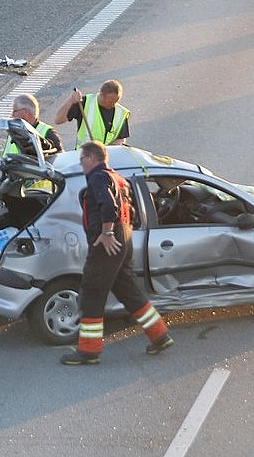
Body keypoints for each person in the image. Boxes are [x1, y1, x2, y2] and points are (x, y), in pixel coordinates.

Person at [62, 141, 173, 366]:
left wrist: (106, 233)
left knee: (92, 291)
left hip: (108, 244)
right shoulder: (119, 179)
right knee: (127, 289)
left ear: (92, 158)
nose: (81, 163)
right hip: (125, 238)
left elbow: (109, 206)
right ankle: (159, 334)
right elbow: (128, 211)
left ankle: (88, 351)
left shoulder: (98, 177)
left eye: (82, 158)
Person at [4, 94, 62, 196]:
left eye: (14, 111)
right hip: (16, 192)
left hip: (41, 196)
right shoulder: (15, 132)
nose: (12, 115)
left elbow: (61, 165)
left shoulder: (48, 134)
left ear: (25, 112)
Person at [55, 81, 131, 146]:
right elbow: (59, 120)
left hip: (108, 157)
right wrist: (71, 101)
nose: (113, 104)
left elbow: (120, 139)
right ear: (101, 95)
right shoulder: (85, 103)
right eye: (110, 101)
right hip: (84, 156)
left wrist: (109, 151)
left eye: (116, 101)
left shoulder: (121, 113)